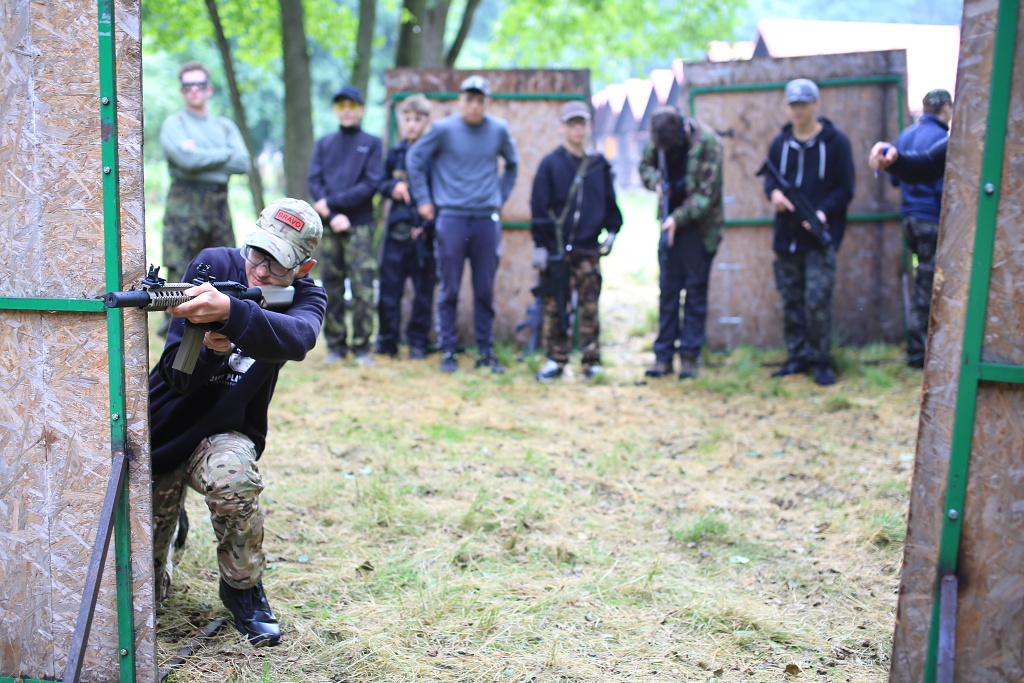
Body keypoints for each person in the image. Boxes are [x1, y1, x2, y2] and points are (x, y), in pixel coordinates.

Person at [149, 198, 326, 647]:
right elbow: (177, 376)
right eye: (257, 254)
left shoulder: (307, 296)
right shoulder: (213, 265)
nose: (261, 271)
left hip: (224, 432)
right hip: (161, 429)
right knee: (143, 599)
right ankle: (171, 527)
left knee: (235, 477)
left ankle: (242, 588)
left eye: (278, 264)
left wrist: (232, 313)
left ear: (303, 268)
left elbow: (298, 338)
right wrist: (212, 350)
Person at [406, 75, 519, 374]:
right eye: (469, 99)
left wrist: (500, 196)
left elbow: (513, 164)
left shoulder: (498, 130)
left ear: (487, 102)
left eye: (480, 100)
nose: (474, 105)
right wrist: (424, 200)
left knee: (484, 290)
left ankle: (485, 352)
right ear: (461, 100)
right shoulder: (443, 130)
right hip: (451, 218)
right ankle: (448, 351)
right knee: (450, 289)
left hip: (485, 219)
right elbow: (415, 159)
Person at [763, 78, 854, 386]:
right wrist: (774, 194)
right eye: (793, 105)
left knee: (817, 300)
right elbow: (770, 181)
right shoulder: (780, 144)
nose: (797, 111)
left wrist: (822, 212)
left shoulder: (836, 143)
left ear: (816, 104)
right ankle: (796, 356)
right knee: (791, 299)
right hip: (787, 238)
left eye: (803, 104)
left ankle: (820, 360)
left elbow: (846, 188)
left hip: (819, 238)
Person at [530, 100, 623, 382]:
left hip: (588, 249)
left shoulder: (598, 166)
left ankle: (591, 360)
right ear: (562, 127)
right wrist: (541, 245)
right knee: (555, 307)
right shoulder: (551, 164)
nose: (577, 129)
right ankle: (554, 359)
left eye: (581, 124)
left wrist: (612, 232)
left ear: (588, 126)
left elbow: (610, 204)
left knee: (590, 307)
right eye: (572, 124)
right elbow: (539, 206)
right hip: (557, 252)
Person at [638, 106, 724, 380]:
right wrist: (656, 183)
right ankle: (663, 357)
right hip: (669, 226)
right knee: (668, 291)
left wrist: (677, 218)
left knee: (695, 291)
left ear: (681, 131)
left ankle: (689, 357)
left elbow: (706, 196)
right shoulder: (659, 139)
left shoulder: (708, 143)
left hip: (699, 229)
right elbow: (645, 166)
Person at [159, 60, 250, 299]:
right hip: (184, 207)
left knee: (224, 271)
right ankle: (177, 322)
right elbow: (186, 161)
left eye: (199, 85)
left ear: (209, 89)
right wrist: (225, 154)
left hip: (219, 206)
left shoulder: (224, 126)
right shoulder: (175, 124)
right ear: (181, 91)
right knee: (180, 276)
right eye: (188, 86)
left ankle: (222, 321)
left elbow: (243, 163)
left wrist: (199, 156)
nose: (194, 90)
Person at [308, 85, 384, 366]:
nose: (347, 111)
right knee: (331, 286)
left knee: (363, 287)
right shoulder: (325, 143)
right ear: (335, 110)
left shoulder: (372, 143)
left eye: (352, 105)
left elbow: (371, 183)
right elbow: (314, 180)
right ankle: (336, 346)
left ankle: (363, 347)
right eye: (341, 106)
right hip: (329, 228)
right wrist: (331, 215)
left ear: (361, 110)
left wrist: (332, 205)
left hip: (359, 226)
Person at [886, 89, 953, 368]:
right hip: (932, 218)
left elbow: (894, 179)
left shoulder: (905, 135)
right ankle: (920, 351)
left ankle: (920, 348)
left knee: (923, 279)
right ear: (946, 108)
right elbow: (946, 185)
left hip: (910, 218)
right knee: (931, 282)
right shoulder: (943, 139)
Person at [375, 94, 436, 360]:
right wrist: (394, 187)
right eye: (408, 119)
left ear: (427, 122)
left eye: (418, 120)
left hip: (425, 234)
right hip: (396, 232)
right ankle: (387, 341)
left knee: (423, 292)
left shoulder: (434, 153)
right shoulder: (396, 152)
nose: (412, 125)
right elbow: (380, 182)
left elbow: (442, 191)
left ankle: (418, 343)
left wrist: (427, 225)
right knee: (390, 290)